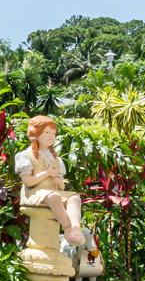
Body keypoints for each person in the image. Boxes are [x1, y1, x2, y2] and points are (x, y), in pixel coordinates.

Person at [15, 115, 100, 270]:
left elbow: (60, 186)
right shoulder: (25, 156)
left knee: (74, 197)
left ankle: (75, 228)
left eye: (53, 134)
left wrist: (58, 181)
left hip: (51, 192)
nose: (51, 137)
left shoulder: (56, 159)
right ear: (36, 133)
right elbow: (28, 182)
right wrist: (47, 173)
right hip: (33, 194)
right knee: (54, 197)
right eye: (47, 133)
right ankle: (67, 228)